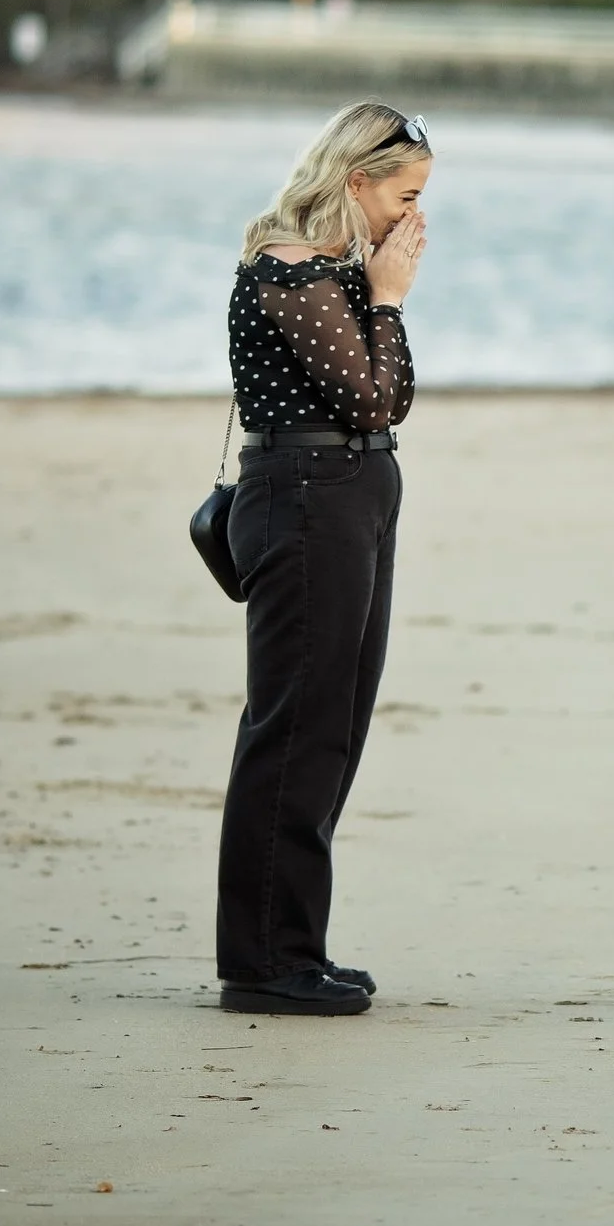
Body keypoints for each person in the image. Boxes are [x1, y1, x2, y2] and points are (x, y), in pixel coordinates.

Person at [215, 103, 432, 1016]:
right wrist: (386, 301)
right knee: (295, 728)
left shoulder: (339, 274)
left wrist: (382, 298)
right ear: (355, 182)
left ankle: (295, 943)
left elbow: (395, 396)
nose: (414, 219)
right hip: (306, 497)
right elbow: (374, 399)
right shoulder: (292, 273)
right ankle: (263, 962)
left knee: (334, 727)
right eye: (405, 196)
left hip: (349, 496)